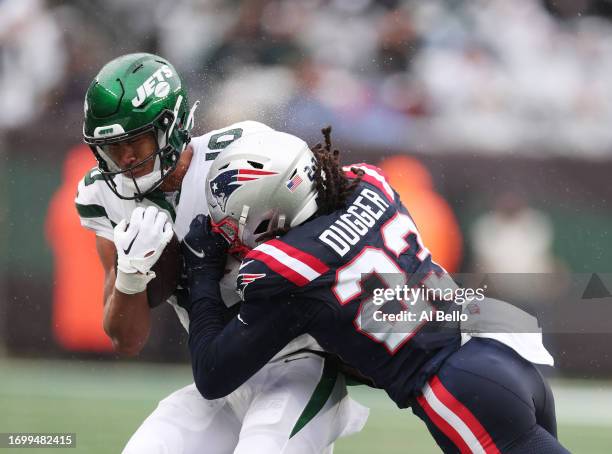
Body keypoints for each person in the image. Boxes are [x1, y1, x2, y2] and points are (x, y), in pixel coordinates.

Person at [183, 127, 570, 453]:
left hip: (458, 386)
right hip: (499, 344)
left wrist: (202, 272)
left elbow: (212, 374)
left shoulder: (292, 273)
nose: (230, 231)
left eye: (236, 220)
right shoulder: (370, 185)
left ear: (272, 212)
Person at [75, 53, 368, 454]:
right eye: (110, 147)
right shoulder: (103, 195)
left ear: (172, 126)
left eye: (134, 141)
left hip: (299, 364)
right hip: (220, 374)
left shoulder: (242, 156)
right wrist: (130, 273)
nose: (123, 160)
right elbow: (126, 341)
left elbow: (336, 240)